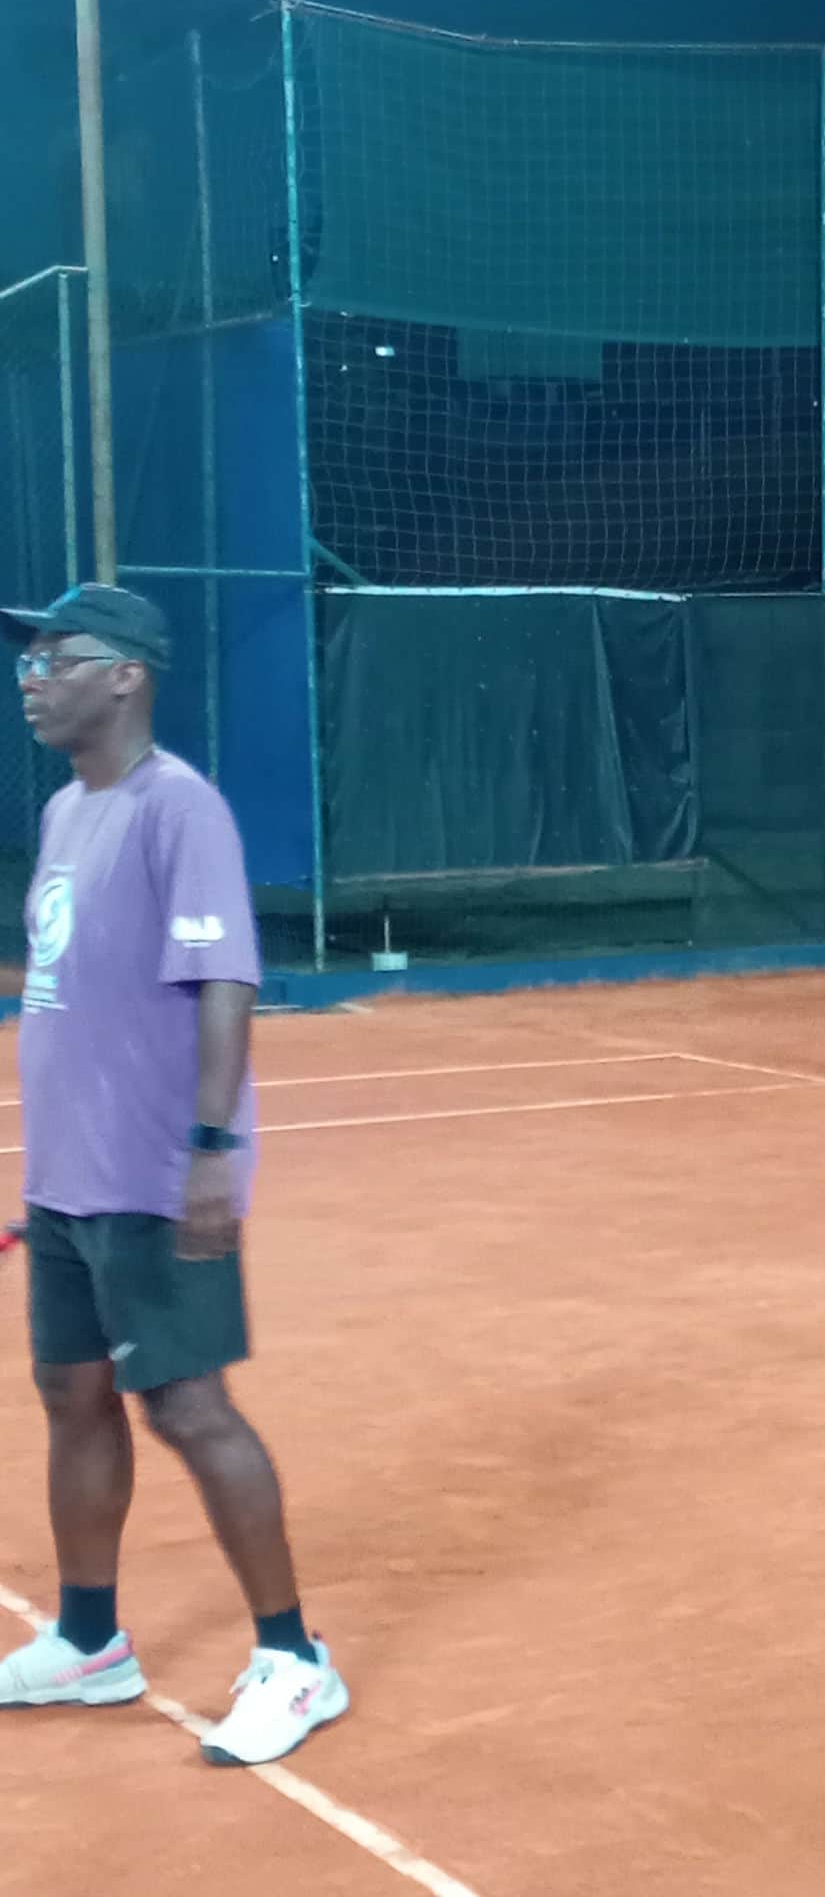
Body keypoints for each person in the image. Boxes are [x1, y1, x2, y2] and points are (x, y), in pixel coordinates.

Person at [0, 583, 348, 1765]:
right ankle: (89, 1641)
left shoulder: (178, 808)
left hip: (155, 1176)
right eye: (27, 662)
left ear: (126, 676)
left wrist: (209, 1153)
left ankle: (295, 1660)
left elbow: (226, 984)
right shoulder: (67, 811)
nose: (32, 679)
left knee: (189, 1409)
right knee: (73, 1395)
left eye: (56, 658)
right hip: (67, 1180)